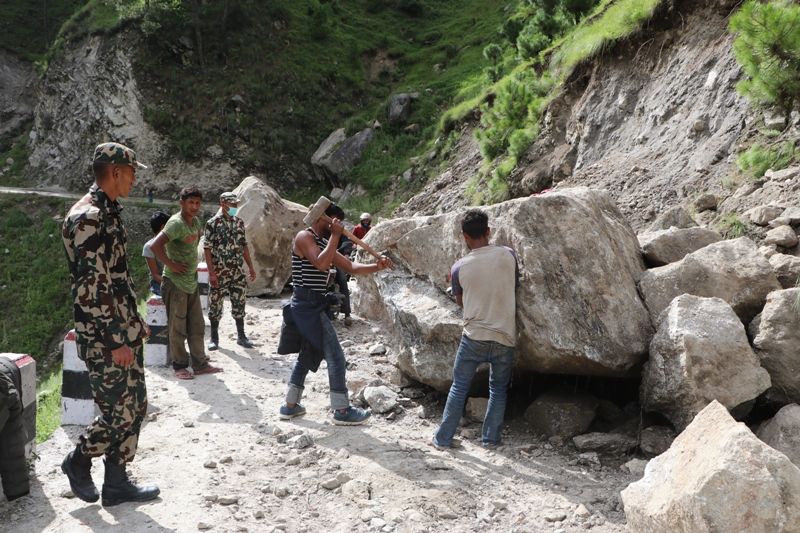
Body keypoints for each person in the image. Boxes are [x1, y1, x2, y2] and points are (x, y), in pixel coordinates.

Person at [60, 142, 160, 506]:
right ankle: (77, 460)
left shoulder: (107, 210)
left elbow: (116, 277)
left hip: (122, 328)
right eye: (132, 173)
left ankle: (117, 483)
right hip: (105, 337)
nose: (135, 180)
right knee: (121, 412)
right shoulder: (87, 218)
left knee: (138, 405)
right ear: (116, 172)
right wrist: (117, 339)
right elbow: (92, 288)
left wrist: (134, 322)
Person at [281, 202, 394, 425]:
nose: (339, 226)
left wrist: (377, 266)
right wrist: (335, 235)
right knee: (336, 357)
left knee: (308, 354)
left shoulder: (324, 242)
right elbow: (322, 264)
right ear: (325, 218)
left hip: (312, 305)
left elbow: (351, 267)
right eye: (335, 221)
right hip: (307, 305)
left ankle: (290, 406)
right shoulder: (305, 237)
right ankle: (342, 410)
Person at [432, 208, 519, 449]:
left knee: (459, 387)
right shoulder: (508, 255)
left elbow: (461, 302)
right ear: (489, 231)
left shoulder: (459, 267)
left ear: (464, 236)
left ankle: (443, 438)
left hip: (474, 337)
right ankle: (491, 439)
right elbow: (513, 286)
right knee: (498, 389)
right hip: (504, 336)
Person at [150, 186, 223, 380]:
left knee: (197, 325)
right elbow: (154, 246)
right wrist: (171, 264)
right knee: (177, 327)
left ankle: (200, 364)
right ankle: (180, 366)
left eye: (198, 203)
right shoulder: (175, 223)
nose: (195, 206)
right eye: (190, 202)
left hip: (190, 281)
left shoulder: (196, 222)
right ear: (182, 203)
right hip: (175, 283)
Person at [203, 192, 257, 350]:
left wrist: (251, 267)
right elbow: (207, 249)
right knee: (215, 304)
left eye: (235, 204)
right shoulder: (212, 224)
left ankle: (241, 336)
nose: (234, 207)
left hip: (237, 272)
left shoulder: (239, 223)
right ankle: (214, 338)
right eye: (232, 204)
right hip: (219, 272)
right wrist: (212, 273)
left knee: (239, 302)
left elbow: (244, 245)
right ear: (223, 204)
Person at [142, 211, 170, 297]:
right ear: (163, 227)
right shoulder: (149, 247)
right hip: (159, 281)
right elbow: (155, 275)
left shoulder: (174, 243)